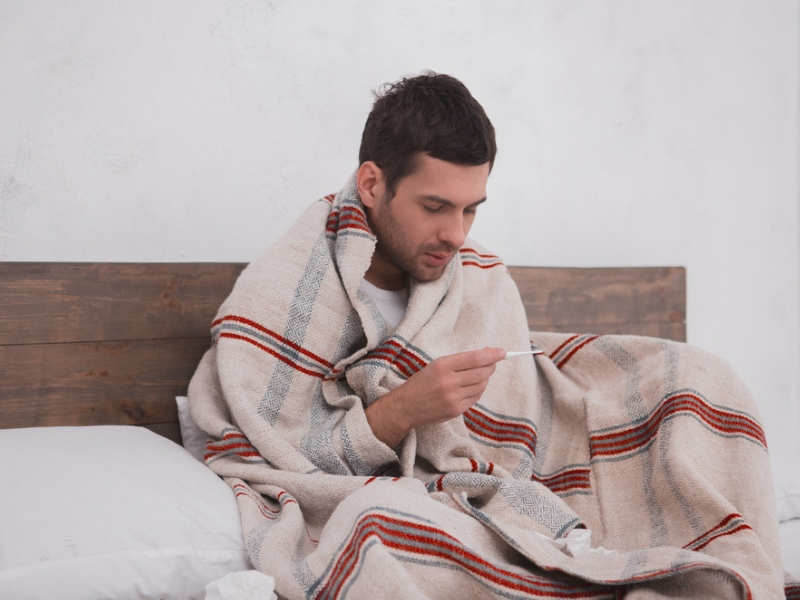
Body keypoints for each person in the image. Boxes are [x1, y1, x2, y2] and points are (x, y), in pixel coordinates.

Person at [188, 72, 783, 599]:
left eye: (471, 209)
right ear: (371, 184)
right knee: (382, 523)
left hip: (508, 477)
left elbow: (522, 419)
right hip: (397, 493)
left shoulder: (479, 277)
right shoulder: (284, 290)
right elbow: (275, 447)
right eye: (435, 206)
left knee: (697, 377)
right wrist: (402, 410)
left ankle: (736, 579)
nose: (455, 233)